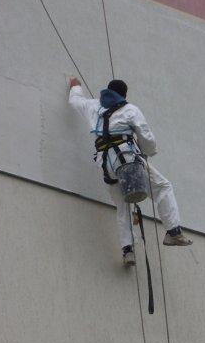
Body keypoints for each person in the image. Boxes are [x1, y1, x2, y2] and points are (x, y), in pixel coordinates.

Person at [68, 77, 192, 266]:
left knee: (122, 207)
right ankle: (173, 232)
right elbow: (147, 140)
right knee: (163, 187)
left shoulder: (93, 106)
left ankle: (128, 251)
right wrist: (149, 152)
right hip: (127, 162)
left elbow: (75, 101)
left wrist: (75, 86)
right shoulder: (130, 110)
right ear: (124, 95)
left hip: (107, 166)